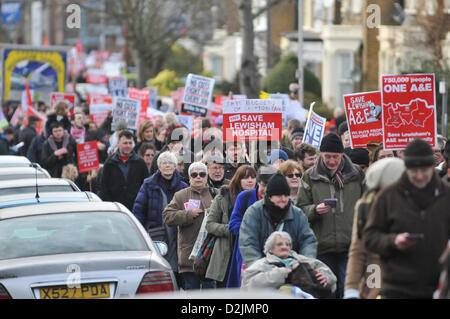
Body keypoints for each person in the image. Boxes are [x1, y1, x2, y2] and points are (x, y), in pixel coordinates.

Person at [364, 139, 450, 299]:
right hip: (397, 286)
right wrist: (393, 241)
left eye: (424, 170)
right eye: (413, 171)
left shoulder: (446, 195)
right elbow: (370, 237)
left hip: (438, 287)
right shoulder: (388, 196)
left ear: (432, 167)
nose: (419, 176)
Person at [296, 133, 365, 299]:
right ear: (321, 154)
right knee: (327, 293)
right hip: (322, 247)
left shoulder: (356, 174)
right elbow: (299, 210)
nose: (332, 161)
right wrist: (314, 210)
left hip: (350, 245)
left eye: (335, 156)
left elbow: (368, 206)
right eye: (327, 156)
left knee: (347, 293)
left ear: (342, 154)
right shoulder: (310, 176)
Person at [344, 158, 405, 299]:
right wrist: (351, 290)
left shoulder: (411, 205)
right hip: (374, 274)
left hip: (404, 279)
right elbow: (357, 251)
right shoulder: (365, 206)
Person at [132, 151, 188, 287]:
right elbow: (139, 211)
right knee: (159, 267)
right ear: (159, 166)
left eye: (170, 163)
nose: (167, 166)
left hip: (177, 234)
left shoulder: (183, 187)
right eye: (164, 163)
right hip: (156, 233)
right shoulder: (148, 185)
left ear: (176, 166)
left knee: (176, 267)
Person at [239, 172, 318, 269]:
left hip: (292, 267)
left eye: (286, 195)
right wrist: (260, 268)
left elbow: (308, 241)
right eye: (279, 196)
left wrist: (305, 265)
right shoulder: (253, 212)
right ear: (270, 196)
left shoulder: (298, 214)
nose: (283, 199)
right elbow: (248, 243)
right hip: (262, 268)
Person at [162, 162, 216, 290]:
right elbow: (167, 216)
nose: (198, 177)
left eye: (202, 174)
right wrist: (188, 214)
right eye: (194, 174)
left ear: (206, 177)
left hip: (210, 255)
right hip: (189, 257)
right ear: (189, 178)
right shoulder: (180, 195)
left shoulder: (216, 194)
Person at [242, 231, 336, 299]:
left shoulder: (300, 259)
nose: (284, 247)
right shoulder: (261, 264)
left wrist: (325, 277)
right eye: (280, 244)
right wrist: (283, 273)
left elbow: (327, 272)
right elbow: (250, 286)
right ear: (270, 249)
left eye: (287, 244)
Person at [205, 165, 257, 287]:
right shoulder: (223, 196)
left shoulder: (259, 197)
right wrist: (231, 228)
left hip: (248, 251)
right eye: (245, 177)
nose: (250, 180)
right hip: (225, 253)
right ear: (238, 179)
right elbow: (210, 224)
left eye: (253, 177)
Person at [227, 165, 278, 288]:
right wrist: (252, 229)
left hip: (273, 254)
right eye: (263, 185)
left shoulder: (282, 199)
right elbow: (233, 224)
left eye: (269, 186)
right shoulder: (245, 197)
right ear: (258, 183)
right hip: (247, 252)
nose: (266, 190)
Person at [100, 130, 149, 211]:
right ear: (118, 143)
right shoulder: (109, 163)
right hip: (115, 208)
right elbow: (104, 188)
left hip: (136, 207)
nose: (128, 146)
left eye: (130, 143)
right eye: (125, 143)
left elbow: (145, 186)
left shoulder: (140, 163)